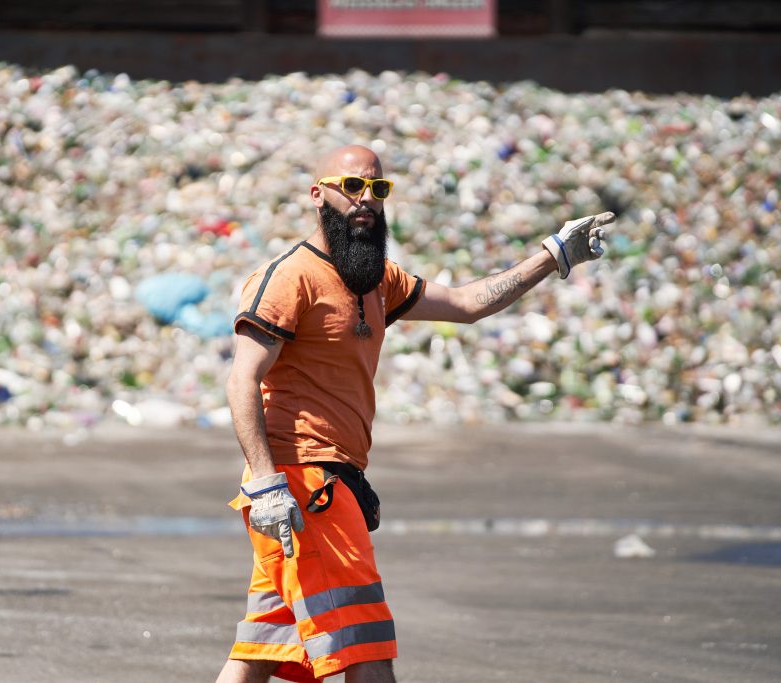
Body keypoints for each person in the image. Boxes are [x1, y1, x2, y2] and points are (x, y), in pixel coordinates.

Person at [216, 144, 614, 683]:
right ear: (318, 195)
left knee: (263, 649)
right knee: (367, 652)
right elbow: (243, 378)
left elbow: (469, 304)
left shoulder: (377, 278)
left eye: (377, 190)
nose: (365, 200)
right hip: (303, 486)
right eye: (352, 186)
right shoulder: (289, 279)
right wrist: (265, 484)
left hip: (327, 481)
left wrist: (552, 254)